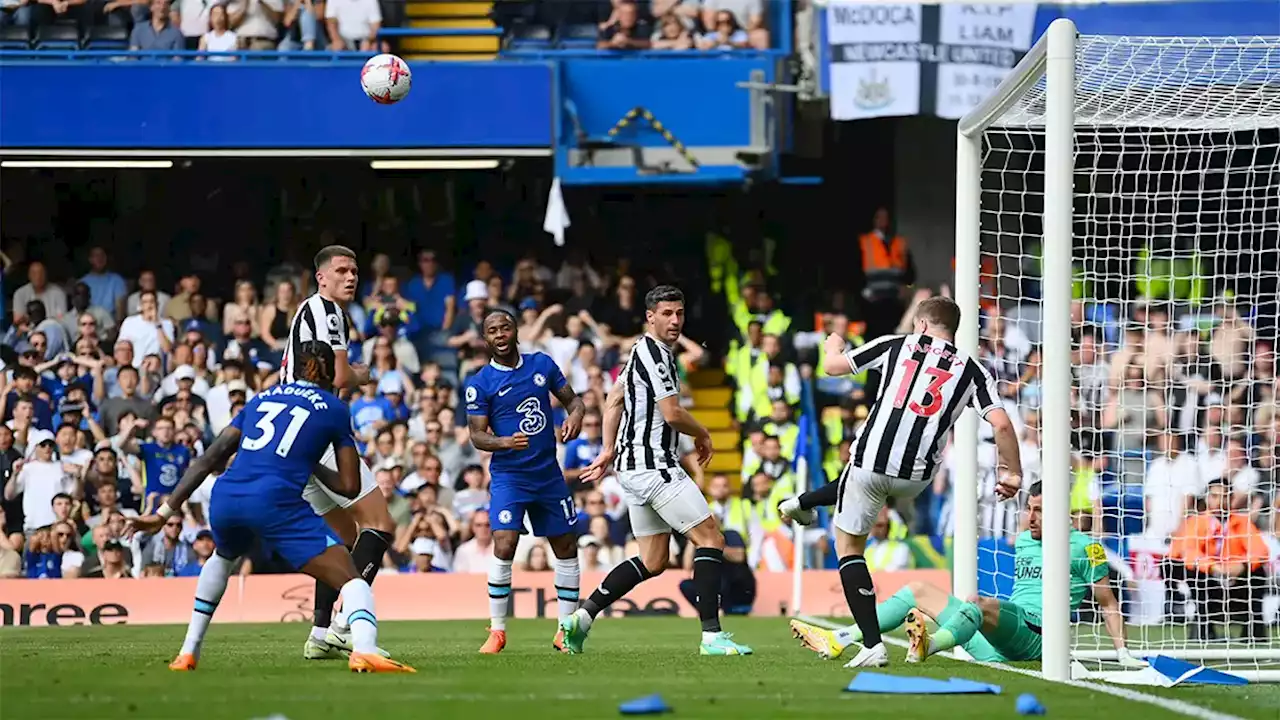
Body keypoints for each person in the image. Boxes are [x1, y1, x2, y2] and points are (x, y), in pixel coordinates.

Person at [127, 341, 413, 674]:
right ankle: (364, 649)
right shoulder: (333, 408)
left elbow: (210, 457)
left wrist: (163, 513)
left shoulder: (261, 398)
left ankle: (188, 652)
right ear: (323, 368)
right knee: (353, 581)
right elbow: (348, 486)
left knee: (223, 558)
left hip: (227, 495)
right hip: (273, 500)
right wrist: (313, 464)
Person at [776, 296, 1024, 668]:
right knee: (857, 482)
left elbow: (832, 366)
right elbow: (1002, 424)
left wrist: (833, 344)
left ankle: (873, 645)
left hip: (871, 462)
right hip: (917, 477)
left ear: (921, 324)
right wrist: (1012, 472)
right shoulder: (974, 370)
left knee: (849, 548)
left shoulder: (896, 344)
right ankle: (803, 503)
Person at [567, 285, 749, 656]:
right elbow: (672, 413)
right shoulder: (656, 355)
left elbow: (614, 400)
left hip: (633, 471)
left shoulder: (636, 352)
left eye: (679, 313)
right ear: (650, 317)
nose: (675, 321)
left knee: (653, 561)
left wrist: (607, 450)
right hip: (655, 467)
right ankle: (712, 636)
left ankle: (581, 618)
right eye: (667, 314)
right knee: (712, 539)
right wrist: (704, 433)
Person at [789, 483, 1145, 668]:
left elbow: (1108, 603)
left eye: (1039, 511)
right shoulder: (1023, 540)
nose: (1031, 517)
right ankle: (840, 639)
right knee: (916, 589)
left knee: (980, 604)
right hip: (996, 645)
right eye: (1029, 509)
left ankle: (931, 644)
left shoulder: (1086, 548)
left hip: (1040, 637)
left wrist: (1123, 653)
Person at [281, 246, 400, 662]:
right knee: (381, 525)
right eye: (341, 271)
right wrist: (366, 374)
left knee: (347, 539)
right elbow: (342, 375)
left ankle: (318, 632)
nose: (350, 277)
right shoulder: (328, 312)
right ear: (321, 277)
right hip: (319, 433)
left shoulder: (311, 311)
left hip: (298, 442)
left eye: (354, 270)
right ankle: (345, 625)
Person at [464, 308, 586, 654]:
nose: (500, 335)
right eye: (492, 331)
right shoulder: (480, 383)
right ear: (485, 339)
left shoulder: (541, 365)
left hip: (548, 475)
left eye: (505, 328)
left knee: (565, 547)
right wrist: (503, 442)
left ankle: (565, 629)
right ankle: (497, 631)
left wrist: (575, 416)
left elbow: (574, 401)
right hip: (510, 477)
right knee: (503, 543)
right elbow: (476, 435)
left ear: (516, 331)